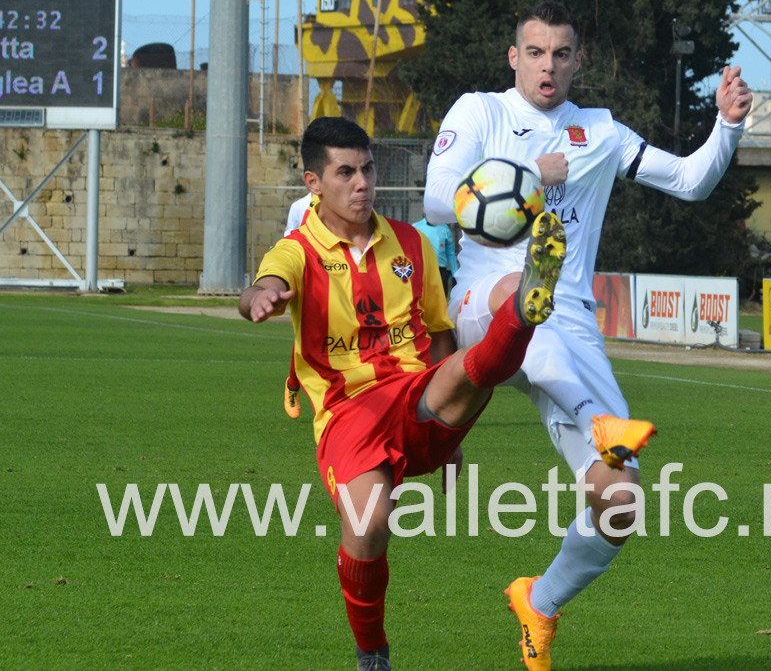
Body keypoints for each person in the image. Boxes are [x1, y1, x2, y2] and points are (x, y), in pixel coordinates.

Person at [423, 2, 752, 670]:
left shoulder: (598, 133)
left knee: (621, 498)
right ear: (514, 57)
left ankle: (539, 603)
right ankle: (598, 417)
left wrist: (728, 124)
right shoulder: (479, 112)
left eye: (561, 54)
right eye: (536, 52)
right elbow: (436, 199)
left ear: (578, 62)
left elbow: (690, 182)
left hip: (565, 321)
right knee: (525, 301)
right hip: (482, 302)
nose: (548, 65)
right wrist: (526, 182)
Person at [239, 116, 568, 671]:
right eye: (345, 172)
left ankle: (523, 308)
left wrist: (453, 436)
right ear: (313, 183)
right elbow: (269, 280)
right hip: (348, 415)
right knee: (367, 528)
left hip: (416, 393)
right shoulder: (297, 250)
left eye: (368, 168)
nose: (362, 182)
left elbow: (439, 336)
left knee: (470, 365)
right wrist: (259, 298)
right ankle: (372, 651)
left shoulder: (412, 244)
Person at [282, 191, 314, 419]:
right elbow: (289, 240)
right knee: (307, 332)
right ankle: (293, 385)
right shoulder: (300, 206)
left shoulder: (344, 202)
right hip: (309, 275)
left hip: (342, 274)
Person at [411, 217, 458, 296]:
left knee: (441, 298)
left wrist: (455, 273)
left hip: (440, 269)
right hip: (422, 268)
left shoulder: (444, 228)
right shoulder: (416, 227)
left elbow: (450, 253)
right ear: (424, 209)